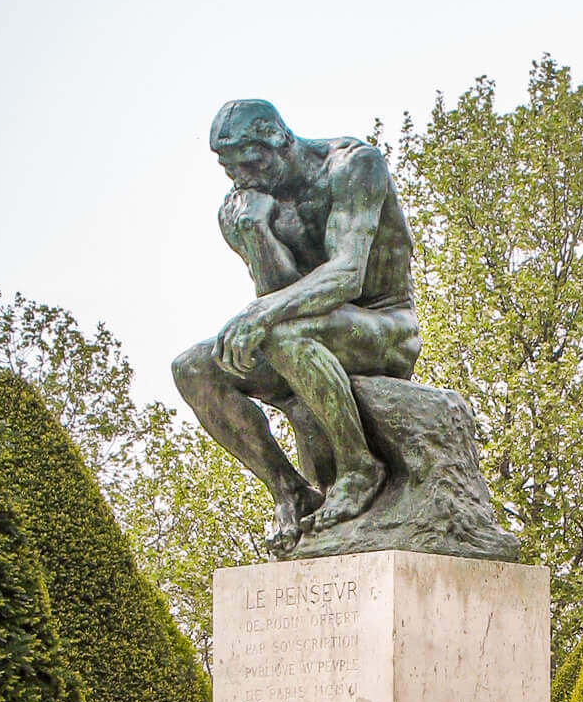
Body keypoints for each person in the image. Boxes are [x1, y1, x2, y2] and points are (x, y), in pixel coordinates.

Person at [172, 100, 420, 552]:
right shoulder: (245, 208)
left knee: (283, 331)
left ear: (279, 140)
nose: (241, 179)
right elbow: (280, 290)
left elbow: (348, 273)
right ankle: (290, 490)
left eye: (248, 164)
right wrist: (255, 233)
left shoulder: (352, 166)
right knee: (193, 369)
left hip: (384, 326)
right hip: (310, 336)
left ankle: (360, 468)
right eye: (230, 171)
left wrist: (264, 314)